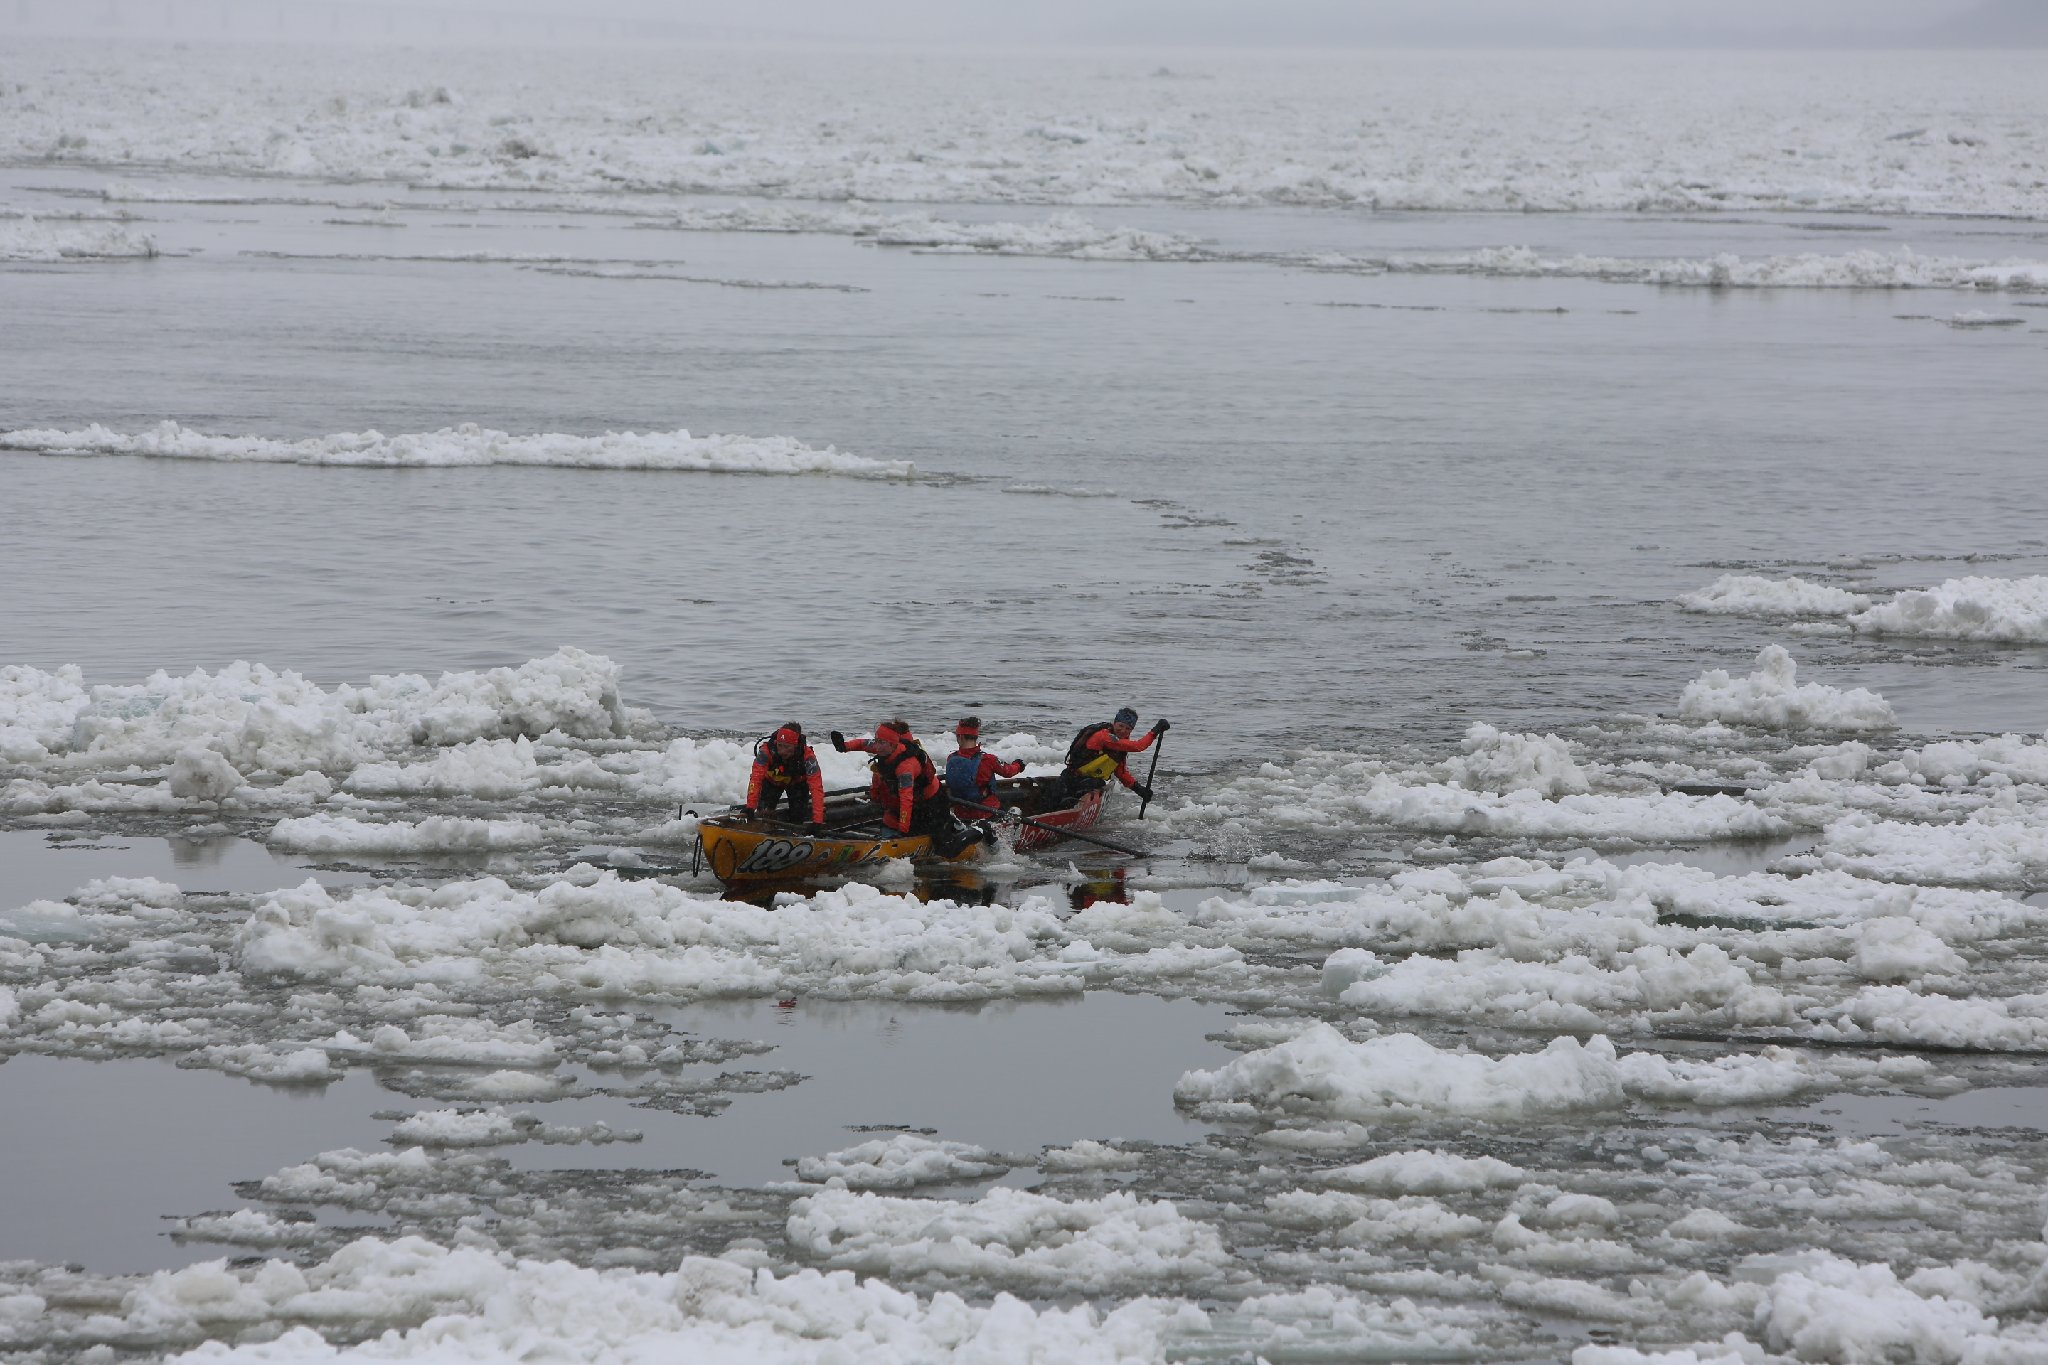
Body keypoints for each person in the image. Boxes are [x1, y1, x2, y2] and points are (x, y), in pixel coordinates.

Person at [830, 720, 945, 837]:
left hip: (929, 800)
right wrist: (844, 746)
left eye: (881, 742)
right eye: (876, 741)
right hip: (904, 799)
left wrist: (903, 830)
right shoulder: (883, 747)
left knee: (932, 834)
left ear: (892, 745)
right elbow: (862, 743)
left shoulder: (905, 768)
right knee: (890, 824)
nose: (877, 746)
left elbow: (906, 799)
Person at [1061, 707, 1169, 802]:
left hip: (1087, 781)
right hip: (1071, 779)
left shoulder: (1119, 747)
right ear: (1114, 723)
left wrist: (1138, 789)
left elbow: (1120, 772)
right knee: (1097, 784)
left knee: (1097, 783)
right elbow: (1138, 746)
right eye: (1120, 725)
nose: (1123, 730)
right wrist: (1155, 731)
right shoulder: (1104, 736)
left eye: (1128, 728)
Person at [740, 724, 825, 834]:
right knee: (763, 812)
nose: (782, 752)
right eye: (780, 745)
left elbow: (816, 788)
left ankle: (795, 831)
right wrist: (750, 807)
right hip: (772, 782)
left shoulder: (808, 757)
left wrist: (817, 821)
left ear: (796, 746)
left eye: (787, 747)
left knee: (798, 816)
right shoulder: (766, 751)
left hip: (797, 784)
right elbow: (756, 779)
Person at [944, 716, 1024, 819]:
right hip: (986, 812)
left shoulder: (950, 758)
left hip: (960, 813)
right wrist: (1018, 765)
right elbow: (1008, 772)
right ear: (975, 737)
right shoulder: (988, 759)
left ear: (960, 737)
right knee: (1015, 811)